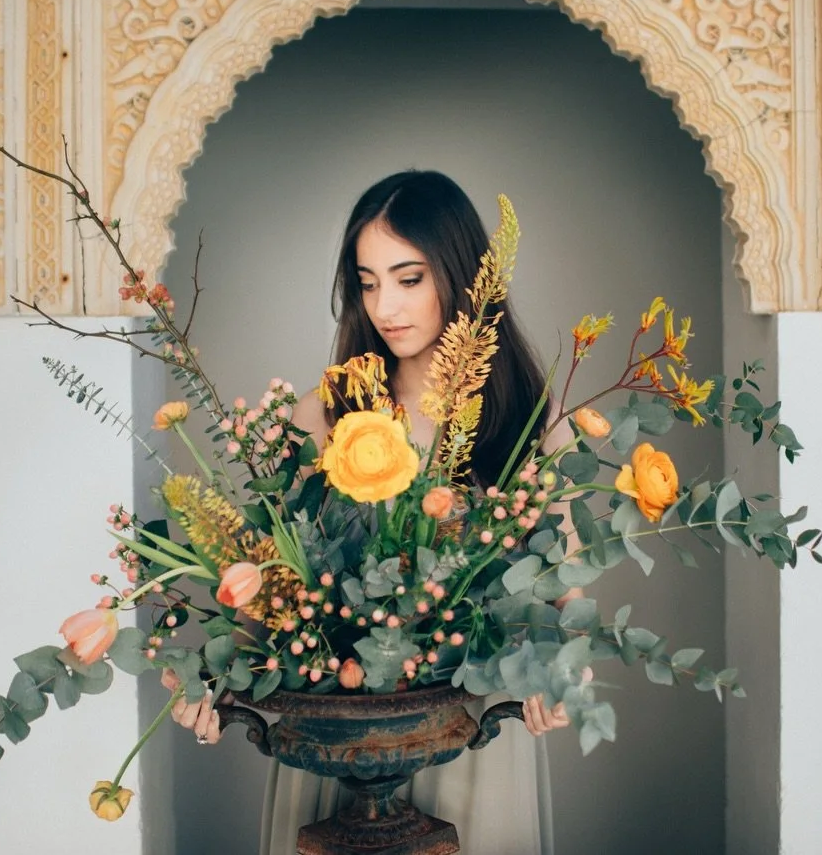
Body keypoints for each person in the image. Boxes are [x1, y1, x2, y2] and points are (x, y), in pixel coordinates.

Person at [170, 170, 575, 855]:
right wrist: (216, 680)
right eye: (367, 282)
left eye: (409, 278)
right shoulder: (322, 416)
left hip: (470, 728)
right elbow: (271, 583)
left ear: (464, 276)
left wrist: (557, 670)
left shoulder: (530, 424)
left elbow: (562, 587)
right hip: (336, 731)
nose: (385, 305)